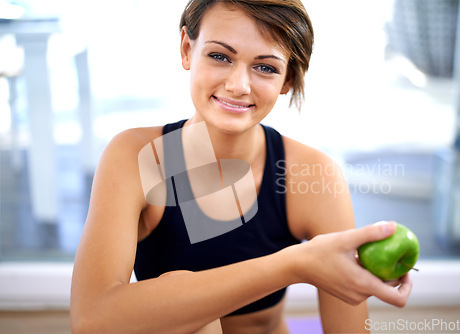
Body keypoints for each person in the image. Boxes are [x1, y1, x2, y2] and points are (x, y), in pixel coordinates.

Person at [70, 0, 413, 333]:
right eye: (220, 56)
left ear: (288, 79)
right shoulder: (134, 156)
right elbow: (92, 320)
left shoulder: (312, 175)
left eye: (265, 67)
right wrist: (294, 263)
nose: (238, 86)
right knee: (186, 301)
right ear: (187, 49)